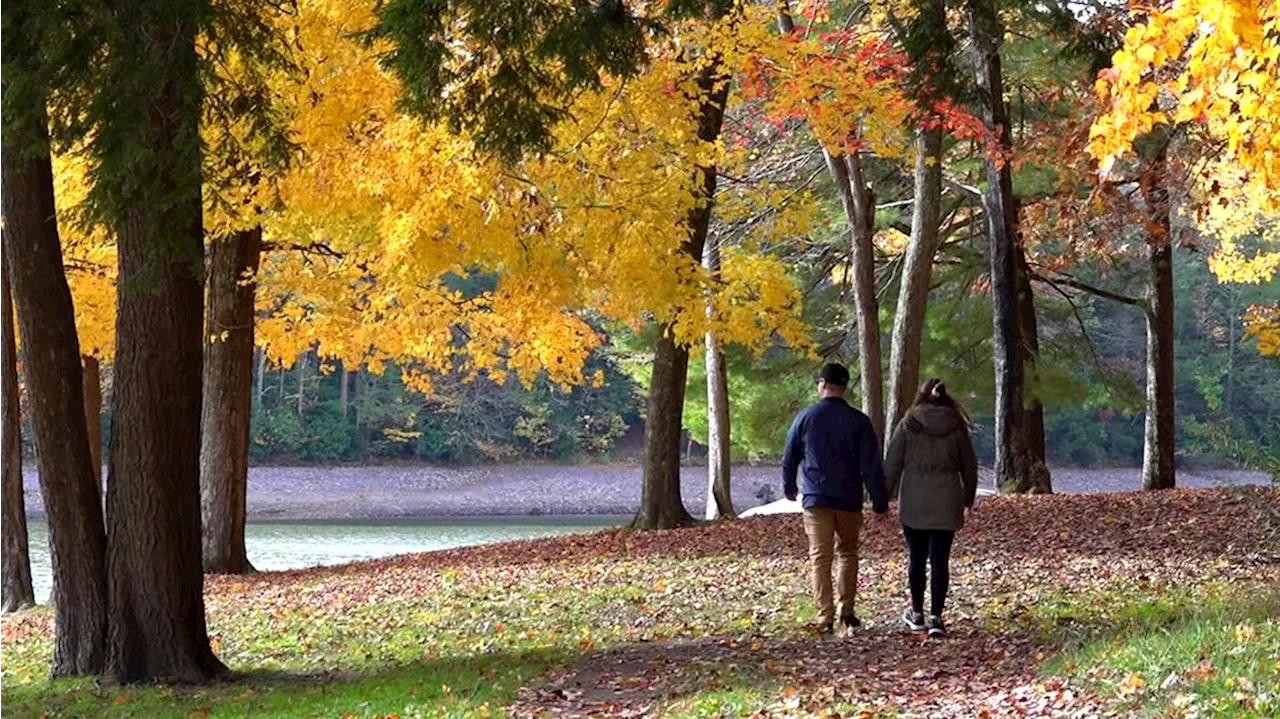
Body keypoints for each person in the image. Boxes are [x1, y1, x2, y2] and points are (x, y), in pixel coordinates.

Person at [782, 362, 889, 636]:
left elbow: (790, 455)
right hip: (849, 498)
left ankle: (824, 616)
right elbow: (871, 464)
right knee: (848, 552)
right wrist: (879, 500)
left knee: (820, 555)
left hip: (816, 498)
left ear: (822, 384)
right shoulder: (859, 421)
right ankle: (847, 611)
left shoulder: (805, 417)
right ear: (844, 388)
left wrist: (789, 486)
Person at [884, 378, 979, 639]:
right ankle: (936, 616)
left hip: (914, 497)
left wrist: (881, 498)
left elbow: (893, 462)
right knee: (940, 559)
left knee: (916, 557)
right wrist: (968, 498)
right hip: (947, 498)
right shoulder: (956, 426)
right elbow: (969, 466)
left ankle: (916, 613)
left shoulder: (909, 424)